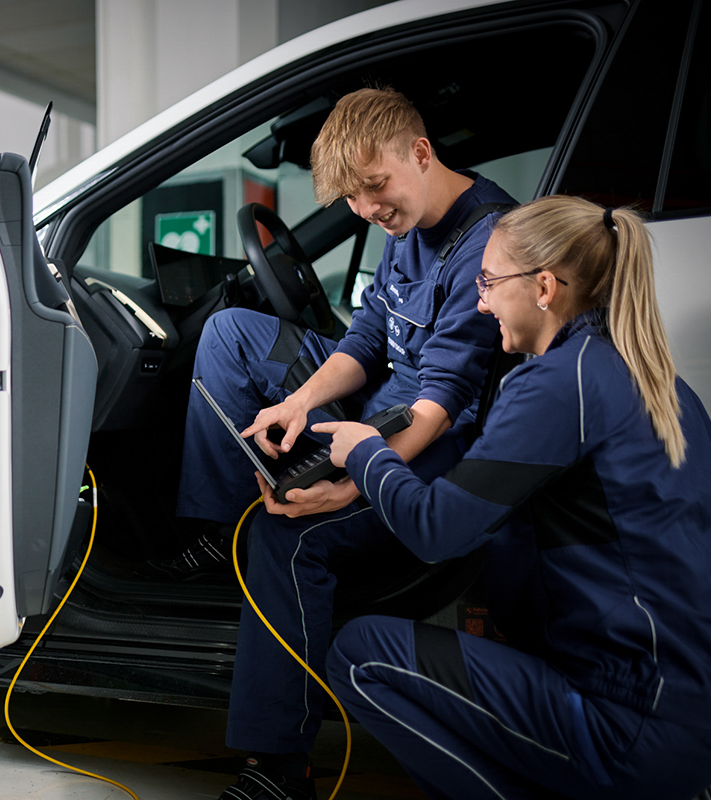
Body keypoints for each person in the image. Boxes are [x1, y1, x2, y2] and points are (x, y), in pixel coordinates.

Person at [151, 86, 518, 799]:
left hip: (433, 436)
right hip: (381, 399)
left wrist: (353, 484)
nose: (368, 209)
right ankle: (219, 537)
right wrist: (296, 403)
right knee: (230, 332)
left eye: (375, 187)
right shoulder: (403, 223)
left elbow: (438, 404)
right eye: (352, 198)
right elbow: (368, 337)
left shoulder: (485, 242)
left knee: (287, 535)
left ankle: (279, 770)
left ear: (420, 152)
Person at [318, 195, 711, 799]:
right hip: (695, 714)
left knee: (360, 657)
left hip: (630, 724)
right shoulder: (659, 381)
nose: (480, 302)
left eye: (488, 282)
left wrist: (366, 454)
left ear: (543, 287)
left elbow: (437, 532)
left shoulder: (561, 383)